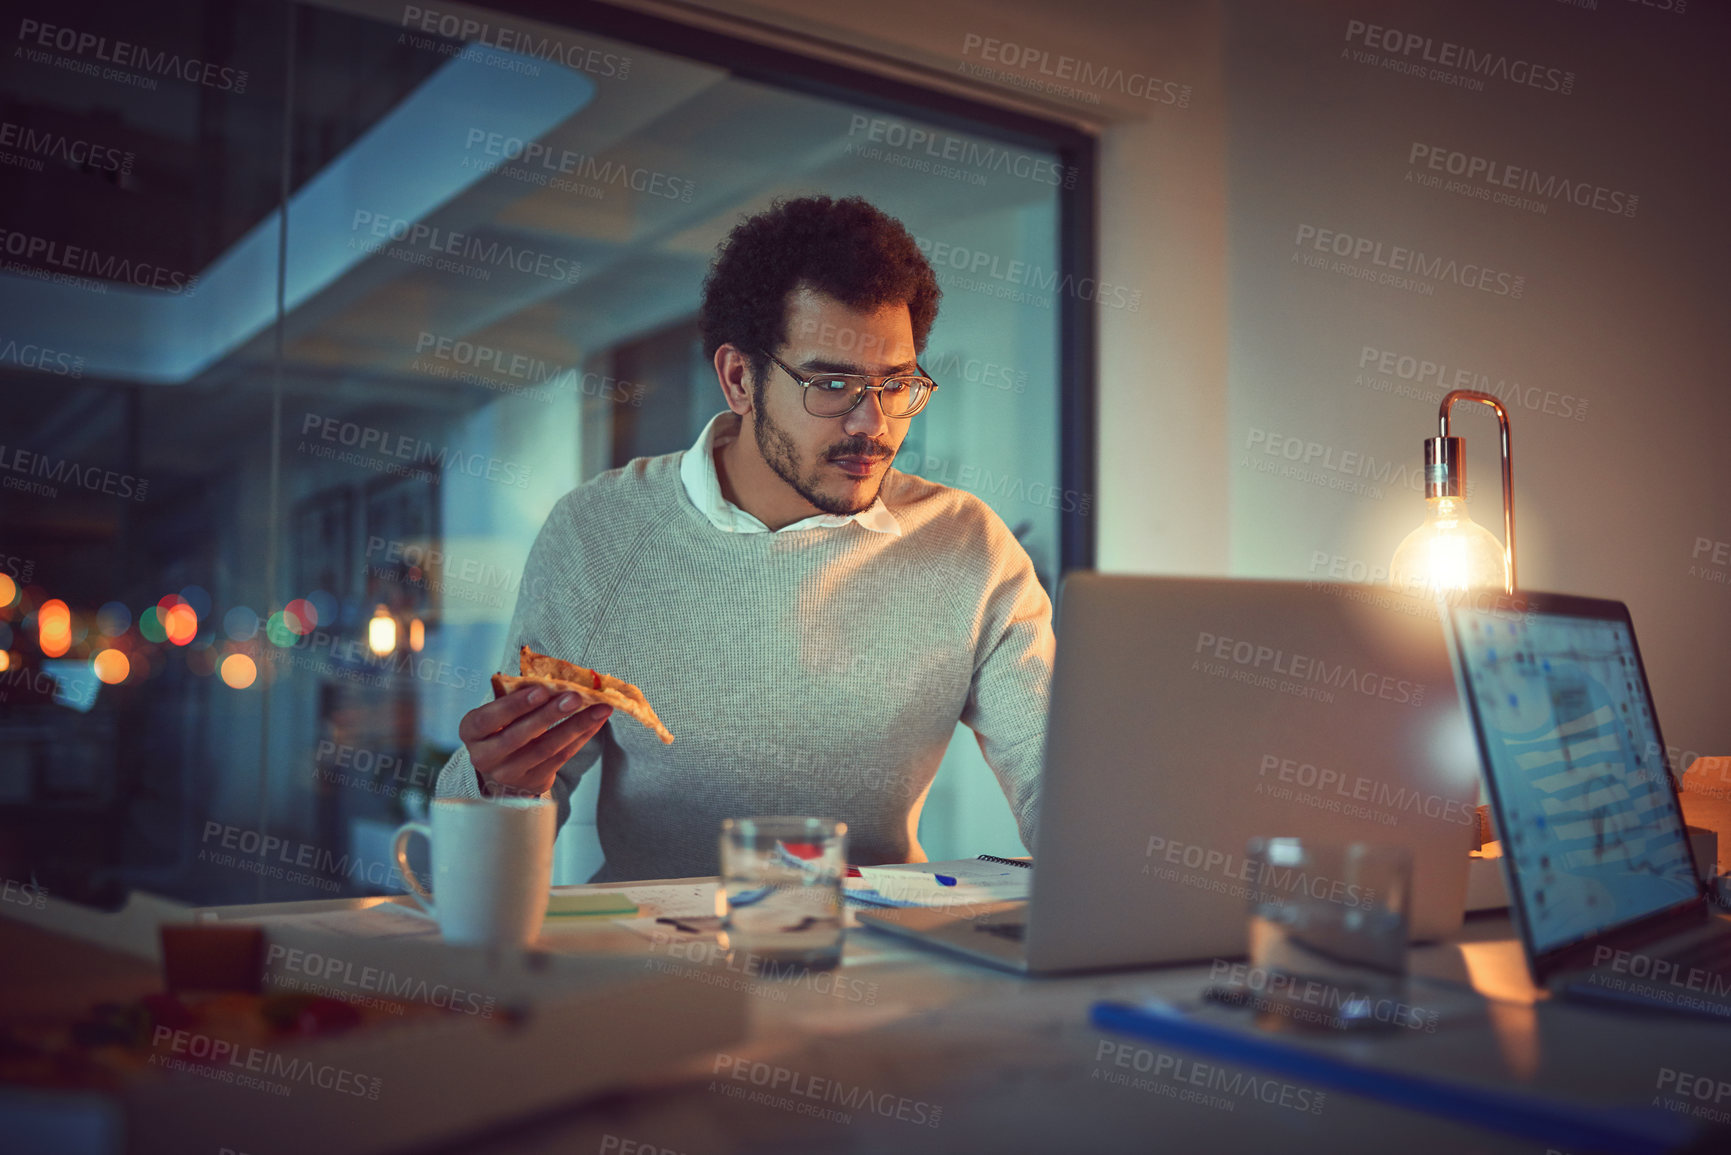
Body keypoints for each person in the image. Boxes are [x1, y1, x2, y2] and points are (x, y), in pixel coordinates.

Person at [434, 195, 1054, 881]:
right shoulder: (599, 533)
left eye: (895, 383)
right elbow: (499, 832)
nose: (871, 423)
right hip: (648, 959)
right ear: (738, 378)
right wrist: (496, 785)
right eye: (833, 383)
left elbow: (1062, 781)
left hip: (875, 956)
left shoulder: (967, 546)